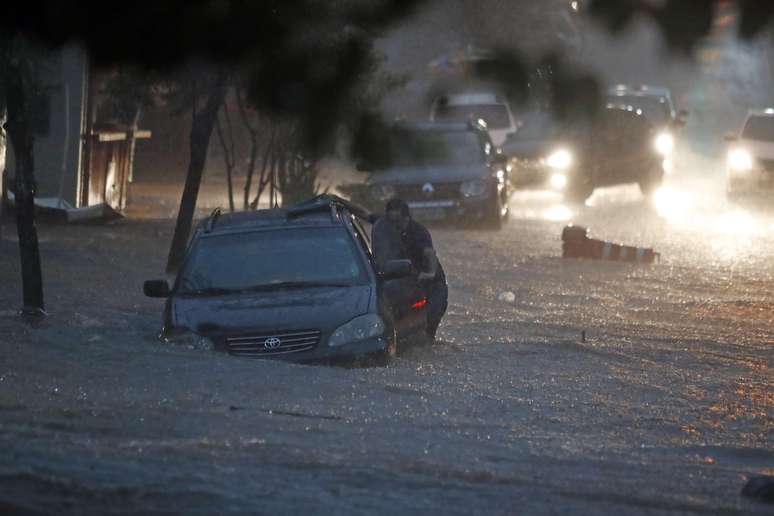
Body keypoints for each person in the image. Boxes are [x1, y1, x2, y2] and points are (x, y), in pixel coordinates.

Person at [372, 198, 448, 339]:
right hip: (407, 278)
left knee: (428, 326)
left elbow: (429, 254)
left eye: (399, 221)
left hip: (432, 283)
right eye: (392, 221)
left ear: (407, 218)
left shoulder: (418, 232)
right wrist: (340, 202)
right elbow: (364, 214)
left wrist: (430, 273)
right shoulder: (384, 225)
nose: (396, 225)